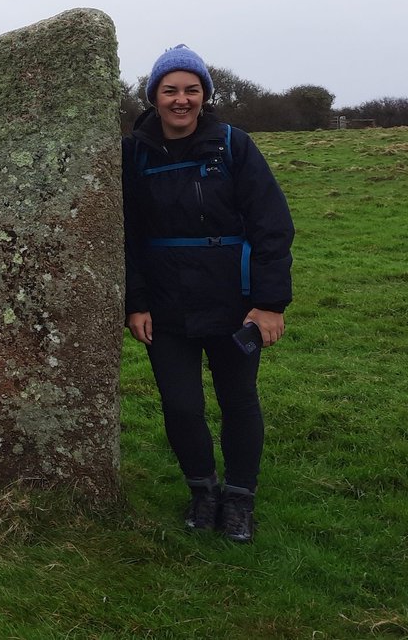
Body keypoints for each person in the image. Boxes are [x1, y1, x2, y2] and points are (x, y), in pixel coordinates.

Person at [122, 45, 294, 543]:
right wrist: (135, 302)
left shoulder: (234, 147)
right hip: (165, 301)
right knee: (180, 405)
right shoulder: (132, 153)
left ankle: (239, 499)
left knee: (238, 400)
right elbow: (124, 233)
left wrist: (269, 303)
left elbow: (272, 226)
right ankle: (202, 490)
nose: (182, 100)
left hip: (233, 301)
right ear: (153, 96)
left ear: (205, 95)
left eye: (191, 90)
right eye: (170, 90)